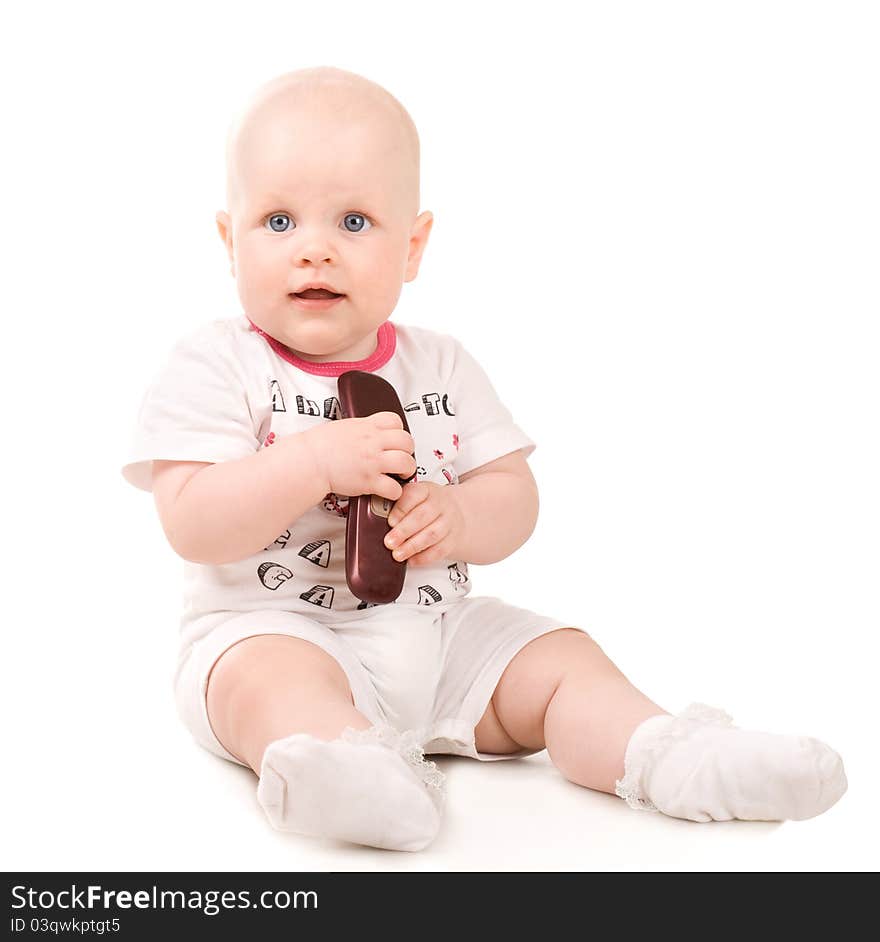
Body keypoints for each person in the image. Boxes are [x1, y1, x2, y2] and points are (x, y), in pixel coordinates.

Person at [122, 66, 847, 852]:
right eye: (279, 221)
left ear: (414, 246)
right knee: (268, 683)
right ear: (230, 240)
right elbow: (192, 522)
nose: (316, 252)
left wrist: (460, 516)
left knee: (562, 656)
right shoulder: (215, 364)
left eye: (355, 223)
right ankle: (345, 772)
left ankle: (670, 755)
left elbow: (515, 496)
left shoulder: (442, 365)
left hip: (439, 633)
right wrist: (312, 464)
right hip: (278, 629)